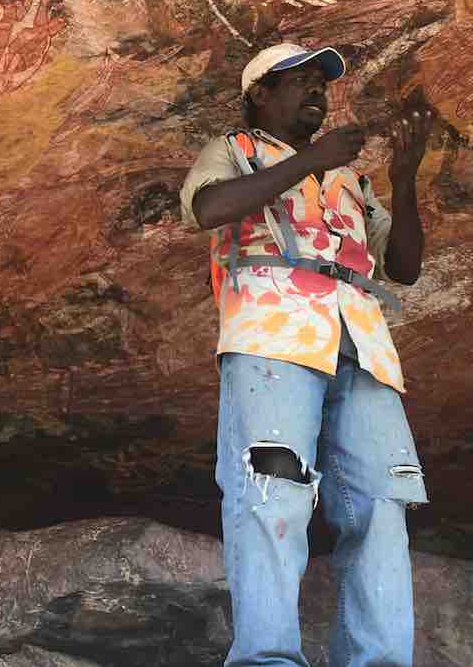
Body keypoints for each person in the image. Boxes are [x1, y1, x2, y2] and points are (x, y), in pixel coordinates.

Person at [179, 42, 434, 666]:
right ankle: (267, 659)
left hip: (362, 341)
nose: (317, 91)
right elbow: (210, 207)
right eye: (299, 81)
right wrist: (310, 160)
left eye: (323, 82)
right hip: (272, 332)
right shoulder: (236, 150)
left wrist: (403, 182)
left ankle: (378, 659)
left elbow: (403, 268)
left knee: (381, 502)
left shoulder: (349, 179)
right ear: (259, 94)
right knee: (272, 491)